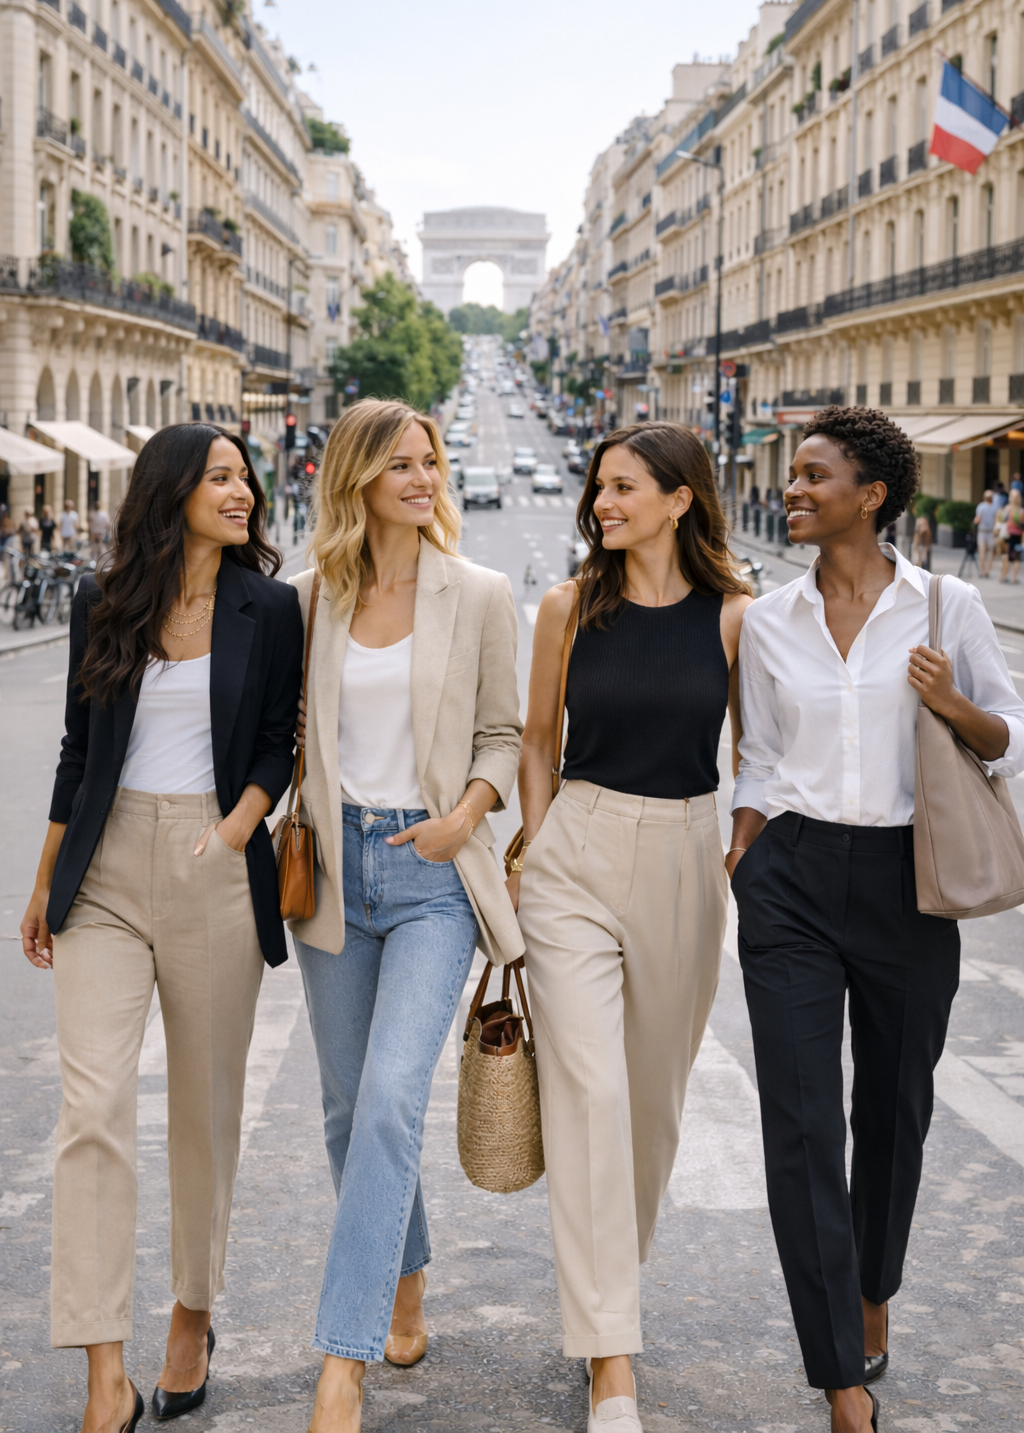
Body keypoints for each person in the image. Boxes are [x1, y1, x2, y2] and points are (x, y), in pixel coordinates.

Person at [728, 407, 1024, 1433]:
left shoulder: (944, 607)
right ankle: (837, 1373)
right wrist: (745, 845)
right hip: (793, 878)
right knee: (801, 1121)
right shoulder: (768, 618)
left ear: (873, 496)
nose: (793, 488)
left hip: (911, 879)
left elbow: (1005, 740)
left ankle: (873, 1287)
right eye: (793, 475)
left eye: (814, 476)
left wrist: (950, 704)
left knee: (893, 1110)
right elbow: (759, 753)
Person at [19, 423, 303, 1433]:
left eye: (246, 478)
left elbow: (281, 740)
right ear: (172, 489)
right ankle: (104, 1365)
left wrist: (231, 833)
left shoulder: (270, 608)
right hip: (104, 869)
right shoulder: (107, 600)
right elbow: (73, 748)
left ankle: (192, 1313)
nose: (244, 492)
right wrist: (48, 879)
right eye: (221, 476)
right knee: (91, 1108)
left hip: (213, 864)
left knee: (202, 1112)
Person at [287, 398, 523, 1433]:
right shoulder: (307, 599)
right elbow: (283, 733)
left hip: (432, 875)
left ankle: (341, 1358)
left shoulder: (479, 593)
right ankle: (407, 1273)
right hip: (336, 870)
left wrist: (462, 815)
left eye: (430, 461)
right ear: (357, 480)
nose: (425, 480)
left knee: (389, 1098)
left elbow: (503, 736)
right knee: (348, 1112)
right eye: (402, 466)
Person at [513, 422, 752, 1433]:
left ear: (679, 498)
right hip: (576, 844)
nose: (602, 503)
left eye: (622, 488)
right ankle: (611, 1355)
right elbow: (535, 740)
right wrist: (536, 841)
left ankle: (610, 1275)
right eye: (597, 488)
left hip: (686, 856)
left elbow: (770, 748)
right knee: (590, 1093)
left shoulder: (738, 617)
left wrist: (737, 841)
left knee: (650, 1108)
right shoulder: (568, 607)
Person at [999, 489, 1022, 584]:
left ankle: (1003, 576)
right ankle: (1013, 578)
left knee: (1006, 557)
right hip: (1017, 536)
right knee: (1016, 558)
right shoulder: (1021, 511)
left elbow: (1001, 522)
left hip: (1006, 536)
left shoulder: (1007, 509)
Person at [974, 489, 997, 576]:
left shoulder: (980, 506)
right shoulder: (994, 508)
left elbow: (977, 520)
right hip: (990, 532)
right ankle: (988, 569)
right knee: (992, 552)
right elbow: (996, 521)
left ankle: (982, 570)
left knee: (982, 552)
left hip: (982, 532)